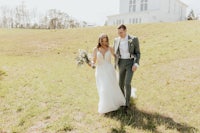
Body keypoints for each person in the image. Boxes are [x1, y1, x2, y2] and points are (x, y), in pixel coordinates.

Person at [89, 33, 125, 114]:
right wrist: (91, 64)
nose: (104, 42)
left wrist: (120, 61)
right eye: (102, 40)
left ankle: (114, 103)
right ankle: (105, 106)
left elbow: (116, 57)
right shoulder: (96, 49)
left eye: (106, 41)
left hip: (109, 70)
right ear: (99, 40)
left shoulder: (110, 48)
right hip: (100, 71)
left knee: (111, 87)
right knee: (103, 88)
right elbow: (93, 60)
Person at [113, 24, 141, 111]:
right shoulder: (116, 40)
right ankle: (122, 101)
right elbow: (114, 51)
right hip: (121, 63)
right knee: (120, 84)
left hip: (130, 63)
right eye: (118, 33)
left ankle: (127, 104)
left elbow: (138, 53)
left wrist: (136, 64)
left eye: (121, 32)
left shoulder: (134, 39)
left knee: (127, 83)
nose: (119, 34)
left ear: (125, 31)